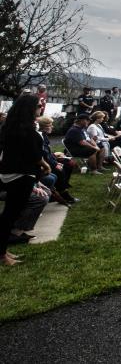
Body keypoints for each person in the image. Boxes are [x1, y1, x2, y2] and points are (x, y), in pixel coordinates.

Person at [0, 92, 49, 266]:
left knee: (9, 214)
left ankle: (3, 251)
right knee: (10, 215)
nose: (40, 108)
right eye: (38, 105)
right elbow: (35, 155)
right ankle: (2, 255)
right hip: (22, 176)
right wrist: (46, 165)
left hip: (9, 173)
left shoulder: (10, 126)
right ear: (29, 108)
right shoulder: (27, 130)